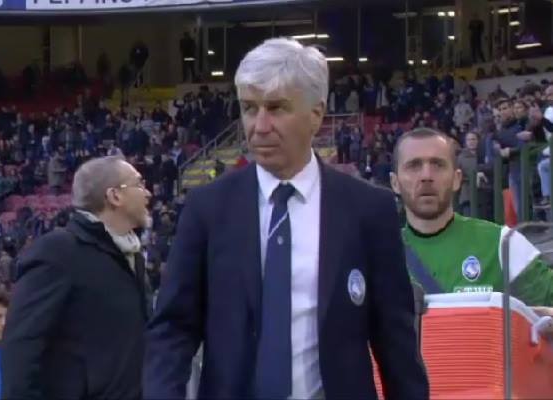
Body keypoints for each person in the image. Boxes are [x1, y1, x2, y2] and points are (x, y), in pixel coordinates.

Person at [144, 37, 428, 399]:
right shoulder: (207, 208)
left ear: (316, 114)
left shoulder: (368, 209)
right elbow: (173, 329)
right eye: (249, 108)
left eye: (276, 108)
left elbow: (395, 342)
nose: (260, 125)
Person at [0, 156, 152, 399]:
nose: (148, 193)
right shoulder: (58, 251)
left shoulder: (133, 257)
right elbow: (21, 346)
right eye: (139, 184)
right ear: (115, 196)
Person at [391, 128, 553, 306]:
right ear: (395, 183)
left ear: (456, 179)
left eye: (438, 165)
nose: (426, 176)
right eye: (414, 166)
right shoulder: (379, 255)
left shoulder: (502, 244)